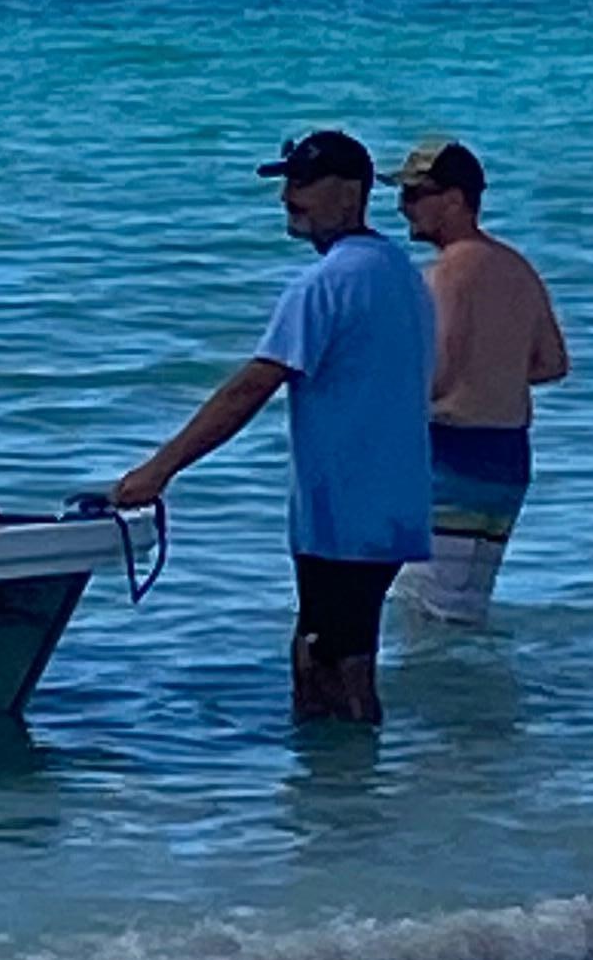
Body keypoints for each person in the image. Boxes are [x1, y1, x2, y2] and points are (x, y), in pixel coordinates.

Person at [109, 128, 434, 727]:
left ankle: (344, 801)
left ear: (352, 191)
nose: (290, 196)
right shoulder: (399, 270)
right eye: (288, 183)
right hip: (392, 507)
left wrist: (158, 470)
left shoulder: (326, 283)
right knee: (338, 653)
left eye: (305, 183)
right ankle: (353, 797)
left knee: (330, 664)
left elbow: (251, 387)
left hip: (345, 514)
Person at [391, 137, 569, 624]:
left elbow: (438, 372)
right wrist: (496, 373)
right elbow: (553, 363)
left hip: (452, 459)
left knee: (425, 616)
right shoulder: (517, 266)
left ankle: (445, 701)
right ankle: (483, 697)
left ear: (453, 200)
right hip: (508, 460)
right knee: (467, 610)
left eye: (413, 195)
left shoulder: (445, 273)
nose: (402, 208)